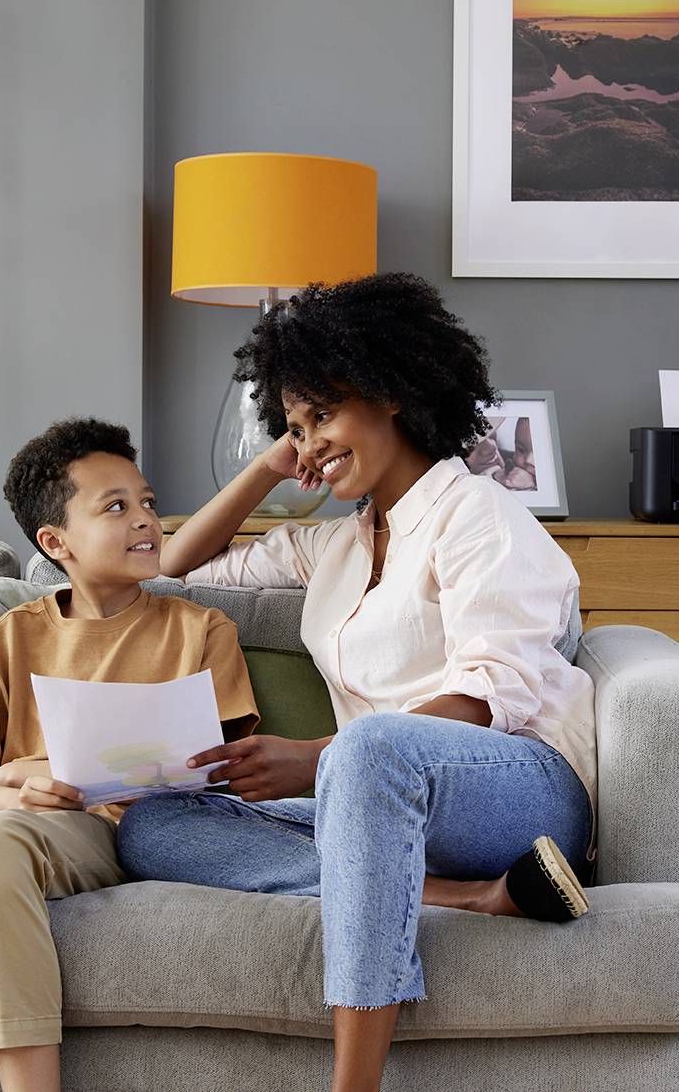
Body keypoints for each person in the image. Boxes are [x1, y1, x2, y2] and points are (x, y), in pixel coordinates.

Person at [116, 272, 596, 1092]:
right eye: (295, 427)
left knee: (370, 750)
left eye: (322, 415)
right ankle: (468, 898)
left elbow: (492, 697)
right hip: (372, 799)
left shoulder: (476, 514)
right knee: (152, 826)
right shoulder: (335, 547)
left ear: (390, 391)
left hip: (515, 786)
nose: (309, 444)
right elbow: (171, 562)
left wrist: (318, 758)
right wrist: (274, 462)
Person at [0, 418, 258, 1092]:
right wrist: (11, 791)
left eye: (147, 501)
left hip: (117, 823)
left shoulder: (200, 630)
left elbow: (218, 763)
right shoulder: (14, 635)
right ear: (54, 541)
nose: (145, 520)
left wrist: (33, 769)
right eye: (116, 507)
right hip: (17, 812)